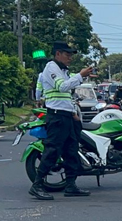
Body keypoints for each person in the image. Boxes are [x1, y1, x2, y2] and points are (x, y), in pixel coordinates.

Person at [29, 42, 93, 200]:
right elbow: (63, 88)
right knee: (52, 151)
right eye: (67, 54)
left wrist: (73, 113)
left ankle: (71, 185)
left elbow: (66, 96)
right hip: (56, 116)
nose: (70, 57)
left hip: (67, 116)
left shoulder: (63, 70)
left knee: (71, 151)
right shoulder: (51, 68)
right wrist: (80, 75)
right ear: (58, 54)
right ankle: (37, 185)